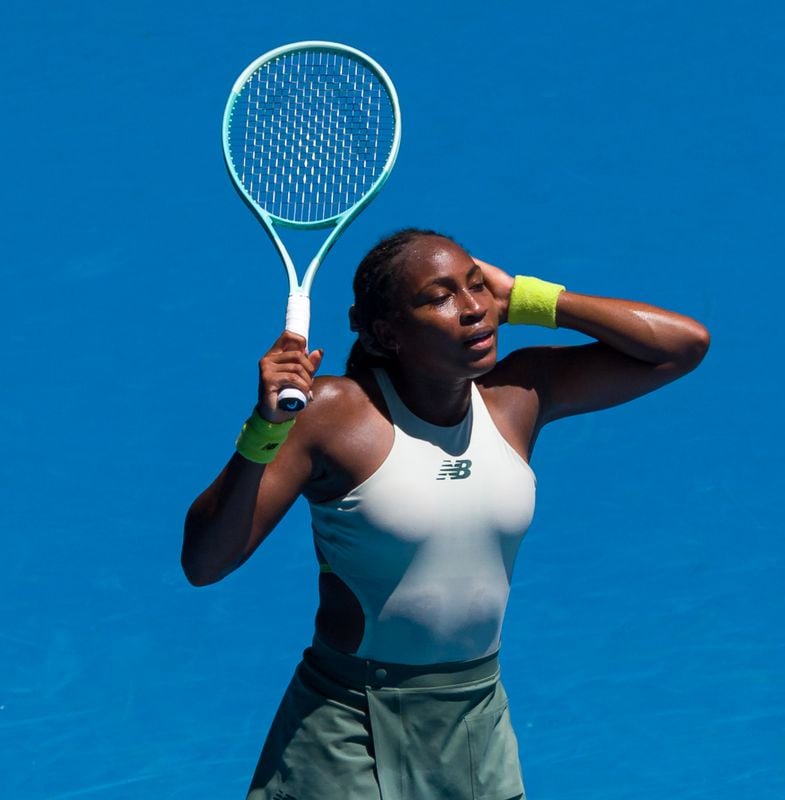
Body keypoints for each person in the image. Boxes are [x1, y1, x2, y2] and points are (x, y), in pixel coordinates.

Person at [182, 228, 710, 799]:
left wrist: (527, 297)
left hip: (476, 722)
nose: (473, 310)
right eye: (439, 297)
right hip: (346, 724)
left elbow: (683, 345)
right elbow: (206, 562)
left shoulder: (518, 396)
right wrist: (266, 430)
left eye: (477, 287)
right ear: (387, 331)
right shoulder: (332, 415)